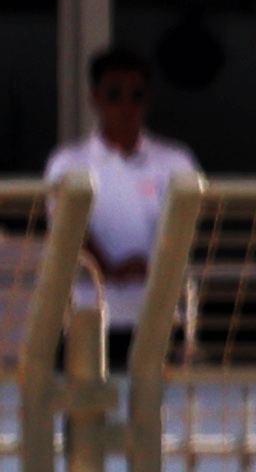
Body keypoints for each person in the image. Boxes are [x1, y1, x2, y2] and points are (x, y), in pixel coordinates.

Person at [44, 44, 200, 370]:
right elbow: (68, 229)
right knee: (86, 415)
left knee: (158, 414)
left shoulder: (176, 161)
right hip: (86, 317)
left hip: (159, 315)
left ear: (148, 100)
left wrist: (153, 265)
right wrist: (109, 269)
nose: (126, 105)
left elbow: (184, 226)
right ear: (95, 98)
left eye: (136, 94)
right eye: (114, 94)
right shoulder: (68, 163)